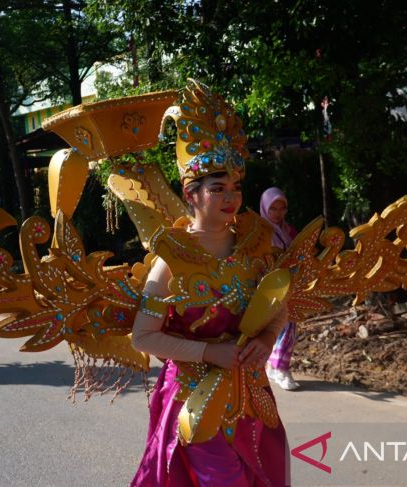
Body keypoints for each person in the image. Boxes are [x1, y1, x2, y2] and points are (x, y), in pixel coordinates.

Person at [130, 81, 290, 486]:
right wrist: (207, 352)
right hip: (193, 396)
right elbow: (143, 337)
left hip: (252, 395)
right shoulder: (171, 260)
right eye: (217, 189)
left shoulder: (256, 248)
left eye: (235, 188)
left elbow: (279, 309)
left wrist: (267, 341)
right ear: (191, 193)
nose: (230, 198)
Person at [260, 187, 301, 391]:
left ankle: (278, 366)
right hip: (267, 288)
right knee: (281, 326)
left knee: (289, 325)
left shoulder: (288, 230)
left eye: (282, 208)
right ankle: (278, 368)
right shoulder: (259, 231)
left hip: (290, 285)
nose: (277, 213)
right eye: (273, 208)